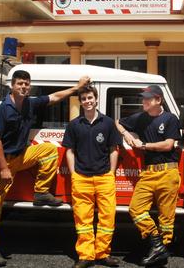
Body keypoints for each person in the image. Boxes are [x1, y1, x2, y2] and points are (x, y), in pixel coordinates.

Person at [0, 69, 90, 267]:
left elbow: (54, 97)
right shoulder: (1, 108)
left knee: (48, 151)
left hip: (20, 156)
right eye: (19, 83)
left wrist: (77, 88)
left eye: (26, 84)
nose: (23, 87)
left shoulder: (30, 103)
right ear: (12, 86)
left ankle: (41, 193)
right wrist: (4, 168)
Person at [115, 84, 182, 267]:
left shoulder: (170, 119)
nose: (143, 101)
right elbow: (118, 122)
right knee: (135, 209)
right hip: (148, 173)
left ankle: (161, 252)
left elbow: (168, 145)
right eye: (143, 98)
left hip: (168, 172)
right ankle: (157, 243)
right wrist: (126, 134)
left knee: (166, 218)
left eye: (148, 98)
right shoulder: (140, 118)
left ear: (158, 100)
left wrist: (143, 145)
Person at [62, 85, 122, 268]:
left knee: (107, 218)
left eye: (90, 98)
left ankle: (103, 254)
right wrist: (74, 174)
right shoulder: (74, 125)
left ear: (96, 99)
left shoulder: (108, 123)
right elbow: (69, 151)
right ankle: (86, 256)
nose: (87, 101)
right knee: (83, 219)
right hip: (82, 178)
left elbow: (114, 149)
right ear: (80, 102)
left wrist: (111, 173)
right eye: (84, 99)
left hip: (104, 177)